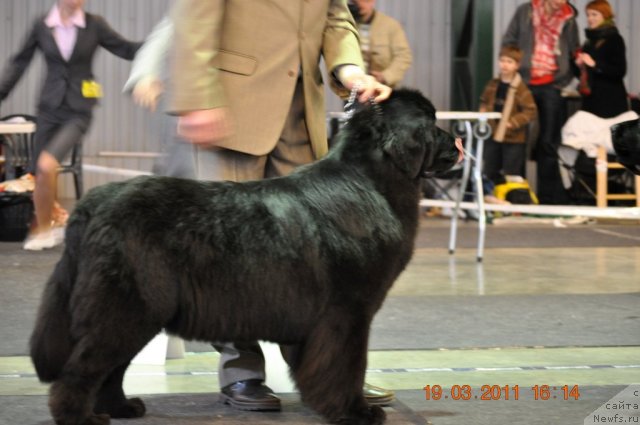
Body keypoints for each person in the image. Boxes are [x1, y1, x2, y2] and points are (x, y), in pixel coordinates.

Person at [167, 0, 395, 412]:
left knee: (311, 258)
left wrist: (351, 71)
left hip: (300, 113)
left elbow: (334, 15)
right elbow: (193, 14)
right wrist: (196, 97)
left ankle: (325, 374)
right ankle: (242, 372)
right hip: (230, 107)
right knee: (231, 252)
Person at [0, 0, 141, 250]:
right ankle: (46, 229)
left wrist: (161, 43)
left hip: (79, 110)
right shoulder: (42, 25)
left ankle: (46, 227)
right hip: (48, 110)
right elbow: (19, 63)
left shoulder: (94, 25)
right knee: (38, 173)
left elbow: (127, 49)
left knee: (46, 164)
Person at [502, 0, 580, 205]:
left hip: (552, 86)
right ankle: (518, 197)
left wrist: (564, 80)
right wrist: (514, 70)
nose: (559, 3)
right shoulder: (525, 12)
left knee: (548, 142)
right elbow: (509, 41)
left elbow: (574, 52)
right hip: (524, 82)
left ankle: (547, 199)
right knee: (518, 140)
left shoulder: (569, 19)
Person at [479, 45, 538, 186]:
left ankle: (512, 204)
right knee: (490, 171)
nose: (505, 65)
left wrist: (513, 122)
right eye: (502, 60)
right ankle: (493, 202)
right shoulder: (493, 84)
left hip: (513, 139)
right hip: (493, 134)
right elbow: (484, 101)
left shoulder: (521, 88)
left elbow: (531, 111)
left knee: (512, 174)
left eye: (509, 62)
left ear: (517, 65)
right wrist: (483, 112)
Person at [572, 0, 629, 119]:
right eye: (588, 15)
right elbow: (581, 75)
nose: (590, 18)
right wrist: (578, 65)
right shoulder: (588, 42)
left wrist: (594, 64)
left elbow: (620, 71)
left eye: (594, 14)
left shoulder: (615, 39)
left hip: (611, 102)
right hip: (590, 102)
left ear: (605, 15)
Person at [350, 0, 413, 88]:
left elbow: (403, 56)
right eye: (355, 1)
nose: (360, 4)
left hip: (384, 88)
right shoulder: (347, 25)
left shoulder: (390, 25)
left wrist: (385, 76)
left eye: (365, 0)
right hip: (354, 88)